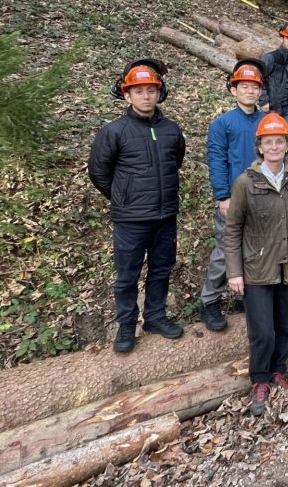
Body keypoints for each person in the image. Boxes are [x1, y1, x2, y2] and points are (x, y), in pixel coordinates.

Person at [223, 113, 288, 416]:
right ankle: (259, 379)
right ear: (260, 147)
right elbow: (233, 229)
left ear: (287, 145)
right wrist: (234, 271)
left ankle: (278, 370)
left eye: (279, 141)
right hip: (257, 268)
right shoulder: (245, 183)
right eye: (268, 142)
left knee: (286, 325)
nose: (274, 147)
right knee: (262, 331)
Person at [88, 59, 187, 354]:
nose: (146, 96)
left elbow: (175, 162)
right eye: (139, 91)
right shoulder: (114, 131)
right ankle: (127, 324)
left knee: (161, 269)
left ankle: (155, 317)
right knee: (127, 274)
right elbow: (98, 172)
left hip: (165, 215)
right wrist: (123, 197)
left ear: (160, 93)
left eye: (151, 90)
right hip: (131, 219)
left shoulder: (171, 130)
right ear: (127, 95)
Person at [200, 59, 267, 332]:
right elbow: (216, 160)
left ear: (260, 90)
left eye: (254, 87)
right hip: (233, 197)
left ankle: (243, 297)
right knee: (225, 250)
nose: (250, 91)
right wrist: (222, 196)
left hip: (262, 197)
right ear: (233, 90)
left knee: (253, 250)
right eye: (244, 86)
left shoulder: (267, 121)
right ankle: (209, 301)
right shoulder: (222, 124)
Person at [258, 21, 288, 122]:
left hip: (286, 109)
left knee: (285, 132)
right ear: (283, 38)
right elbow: (258, 79)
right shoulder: (270, 57)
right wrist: (264, 101)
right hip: (271, 108)